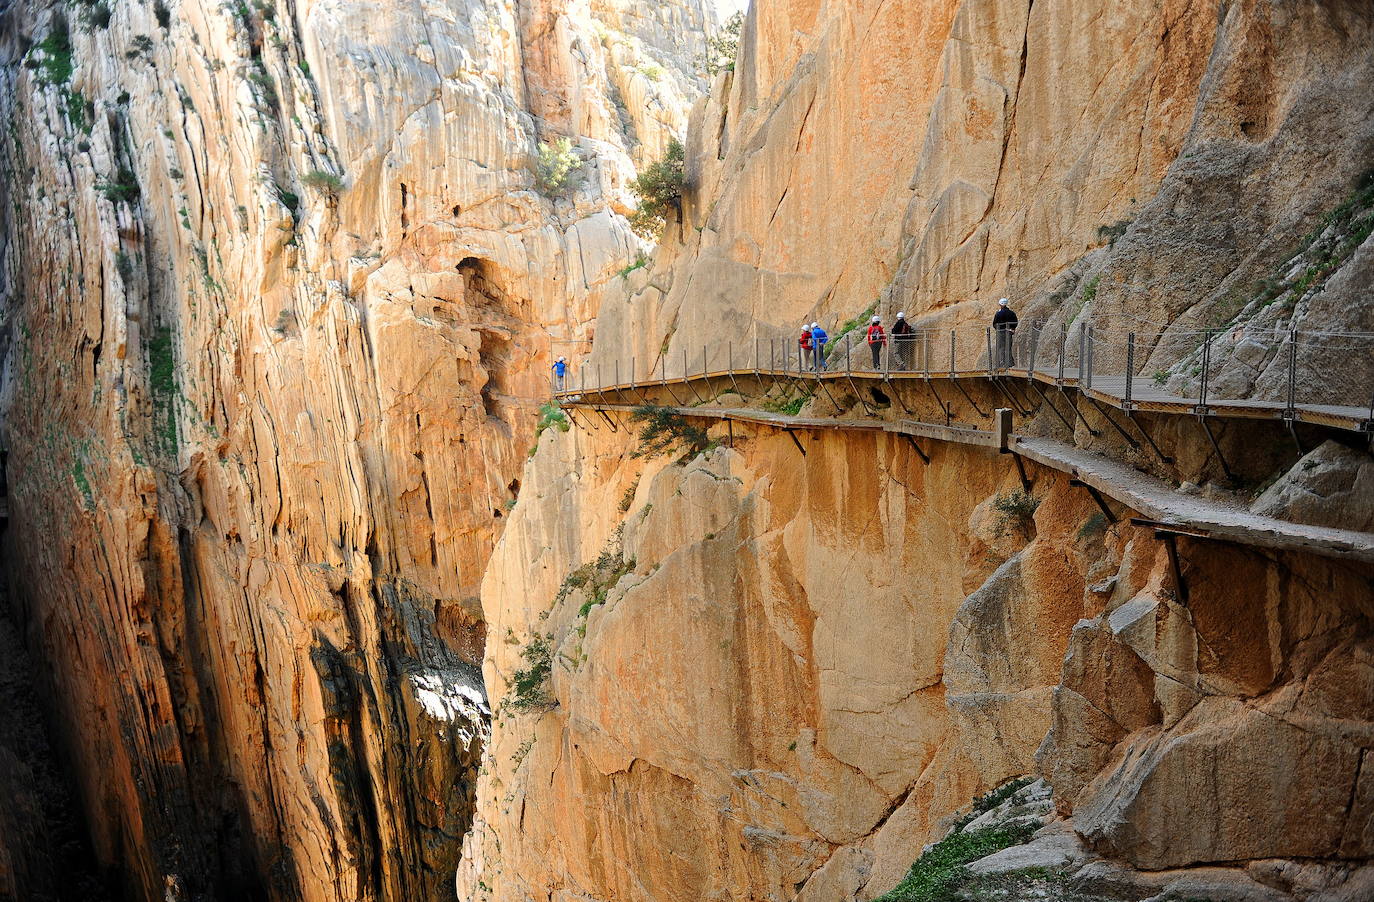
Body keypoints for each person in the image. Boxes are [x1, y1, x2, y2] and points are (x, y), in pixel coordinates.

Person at [993, 298, 1018, 369]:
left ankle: (1002, 363)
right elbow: (1015, 322)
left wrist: (997, 328)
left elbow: (994, 323)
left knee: (1001, 347)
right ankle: (1010, 363)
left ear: (1000, 304)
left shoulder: (998, 314)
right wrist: (1012, 328)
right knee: (1008, 347)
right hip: (1009, 332)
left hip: (1000, 332)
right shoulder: (1012, 313)